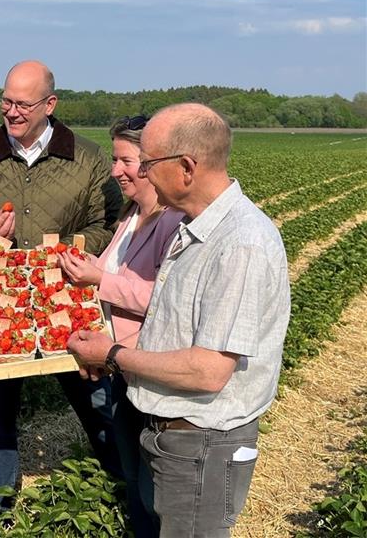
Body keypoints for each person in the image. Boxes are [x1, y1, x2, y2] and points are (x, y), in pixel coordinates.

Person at [67, 103, 291, 537]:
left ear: (186, 167)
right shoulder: (194, 228)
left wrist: (113, 352)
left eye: (148, 163)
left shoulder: (240, 245)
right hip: (173, 433)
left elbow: (208, 372)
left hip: (201, 441)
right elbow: (168, 322)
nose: (142, 174)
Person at [0, 60, 124, 512]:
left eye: (22, 103)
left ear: (50, 104)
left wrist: (66, 252)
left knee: (96, 398)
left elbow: (107, 224)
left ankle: (124, 493)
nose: (11, 111)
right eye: (6, 101)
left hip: (66, 299)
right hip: (1, 305)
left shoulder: (85, 157)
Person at [58, 114, 184, 538]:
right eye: (115, 160)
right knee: (132, 474)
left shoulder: (173, 223)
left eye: (124, 160)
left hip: (147, 364)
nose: (116, 171)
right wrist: (86, 266)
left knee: (152, 485)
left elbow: (164, 299)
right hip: (117, 364)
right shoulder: (130, 216)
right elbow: (116, 271)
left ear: (151, 163)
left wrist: (101, 281)